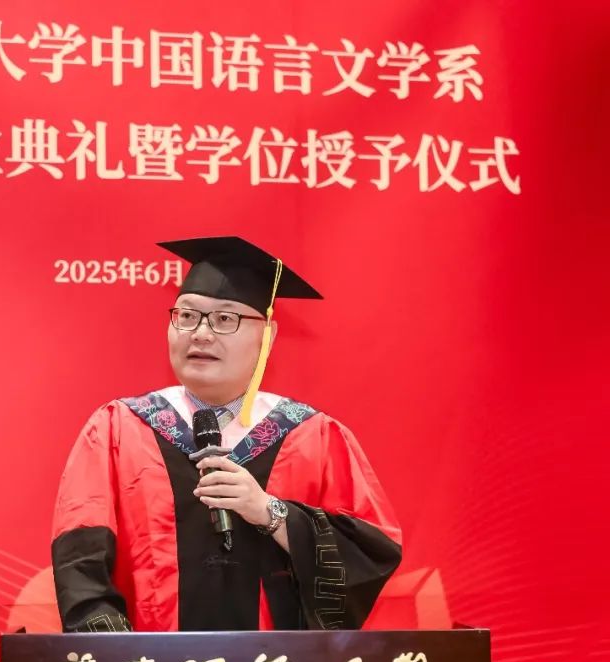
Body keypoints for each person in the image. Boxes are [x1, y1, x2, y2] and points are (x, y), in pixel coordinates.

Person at [51, 236, 402, 632]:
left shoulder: (314, 436)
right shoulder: (118, 429)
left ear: (267, 336)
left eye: (224, 319)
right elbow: (80, 564)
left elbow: (370, 553)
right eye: (187, 316)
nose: (200, 333)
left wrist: (272, 514)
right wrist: (122, 655)